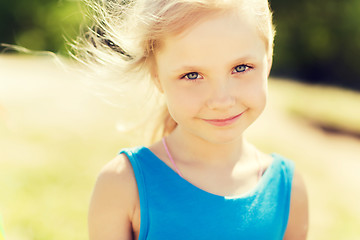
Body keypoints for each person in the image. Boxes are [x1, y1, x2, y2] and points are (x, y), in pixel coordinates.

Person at [80, 0, 309, 239]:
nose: (221, 100)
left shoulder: (287, 190)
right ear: (157, 77)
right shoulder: (123, 185)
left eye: (241, 68)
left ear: (268, 61)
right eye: (192, 75)